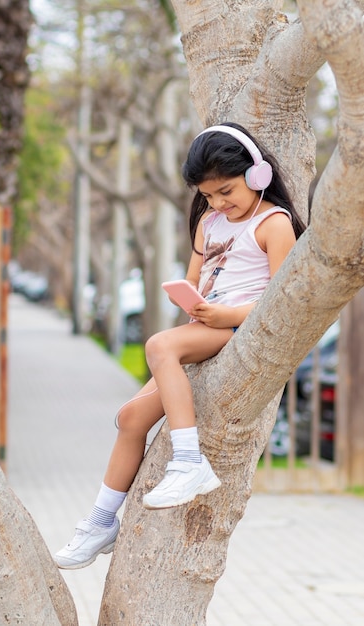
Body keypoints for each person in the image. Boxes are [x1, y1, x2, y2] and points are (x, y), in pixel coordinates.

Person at [54, 122, 306, 570]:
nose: (218, 203)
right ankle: (100, 521)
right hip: (207, 322)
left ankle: (189, 461)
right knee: (131, 417)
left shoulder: (274, 222)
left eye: (226, 191)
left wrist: (225, 315)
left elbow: (282, 302)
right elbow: (194, 278)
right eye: (209, 195)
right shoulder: (209, 222)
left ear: (257, 176)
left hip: (237, 328)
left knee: (159, 345)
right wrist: (189, 296)